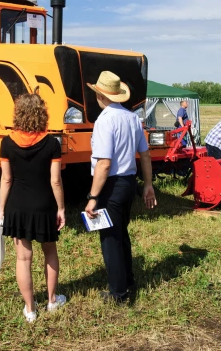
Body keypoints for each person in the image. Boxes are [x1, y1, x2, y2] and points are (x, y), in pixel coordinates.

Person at [84, 71, 157, 303]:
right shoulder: (132, 118)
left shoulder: (105, 121)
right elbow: (145, 155)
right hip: (128, 181)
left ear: (100, 95)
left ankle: (119, 293)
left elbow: (104, 164)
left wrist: (93, 196)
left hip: (111, 184)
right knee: (121, 233)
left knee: (110, 239)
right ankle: (128, 279)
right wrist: (148, 185)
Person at [0, 93, 66, 323]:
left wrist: (1, 209)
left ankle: (30, 309)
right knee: (50, 252)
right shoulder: (51, 143)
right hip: (44, 205)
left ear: (18, 114)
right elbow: (55, 181)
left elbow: (6, 180)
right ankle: (52, 300)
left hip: (17, 207)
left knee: (23, 259)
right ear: (42, 114)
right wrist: (61, 208)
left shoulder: (6, 142)